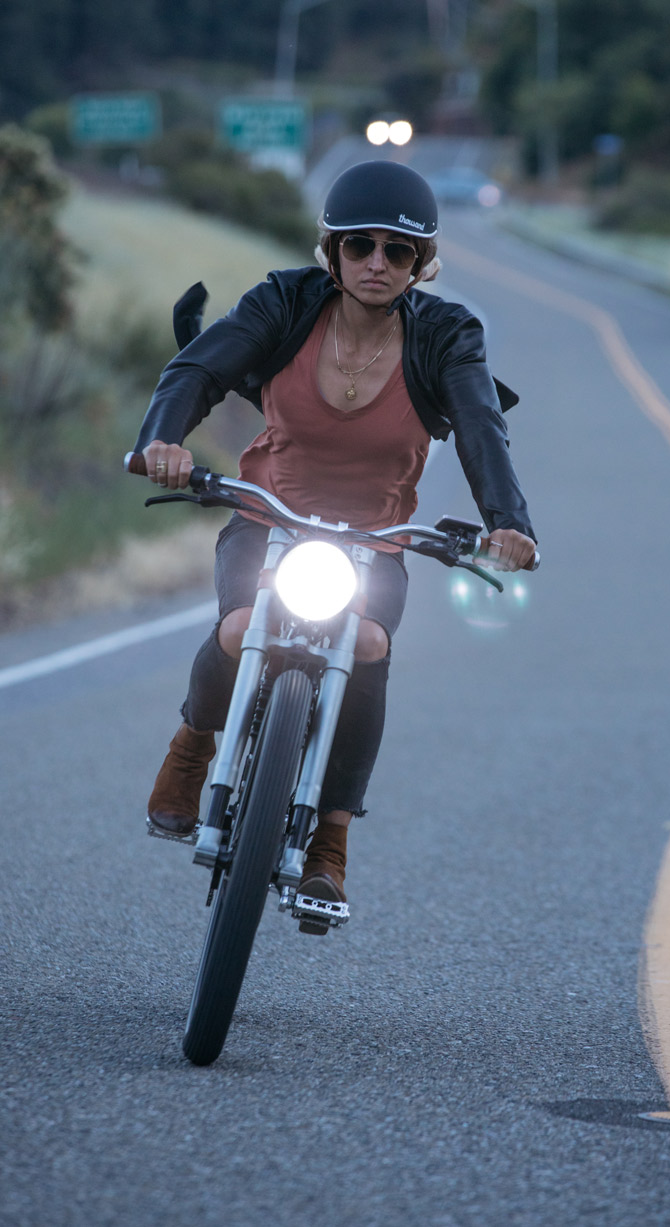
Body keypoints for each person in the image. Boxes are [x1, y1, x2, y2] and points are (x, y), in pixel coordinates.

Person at [133, 159, 536, 931]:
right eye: (361, 246)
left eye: (400, 250)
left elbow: (483, 426)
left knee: (373, 644)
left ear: (424, 263)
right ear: (332, 251)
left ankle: (331, 840)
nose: (378, 263)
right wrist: (162, 442)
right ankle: (191, 749)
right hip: (267, 515)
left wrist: (508, 522)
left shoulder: (449, 333)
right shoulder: (284, 302)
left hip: (375, 542)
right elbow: (197, 368)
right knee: (243, 625)